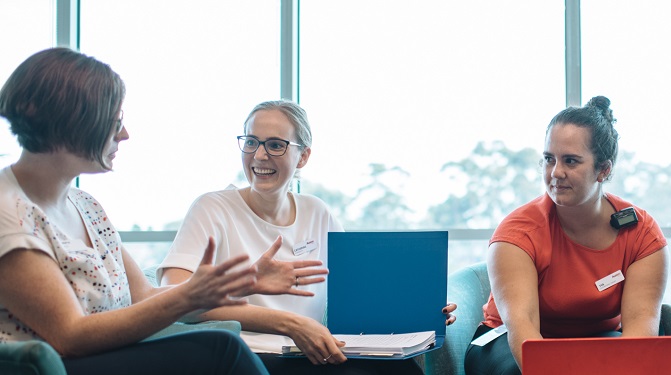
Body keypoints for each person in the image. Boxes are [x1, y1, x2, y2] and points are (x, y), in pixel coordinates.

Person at [0, 48, 294, 374]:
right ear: (67, 122)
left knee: (217, 347)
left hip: (105, 356)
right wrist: (188, 297)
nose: (124, 134)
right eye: (114, 122)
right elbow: (70, 335)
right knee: (219, 350)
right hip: (62, 364)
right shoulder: (7, 211)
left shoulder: (86, 206)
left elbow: (143, 295)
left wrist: (235, 284)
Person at [158, 100, 457, 375]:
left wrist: (419, 308)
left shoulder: (316, 211)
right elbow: (172, 295)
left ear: (303, 157)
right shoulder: (212, 208)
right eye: (251, 142)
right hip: (247, 356)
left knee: (400, 372)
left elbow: (360, 293)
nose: (259, 155)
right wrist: (288, 323)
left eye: (275, 145)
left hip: (312, 351)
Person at [463, 96, 669, 375]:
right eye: (549, 159)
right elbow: (523, 331)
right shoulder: (518, 233)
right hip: (507, 341)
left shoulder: (641, 234)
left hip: (595, 338)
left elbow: (639, 338)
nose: (555, 173)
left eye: (571, 161)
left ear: (604, 170)